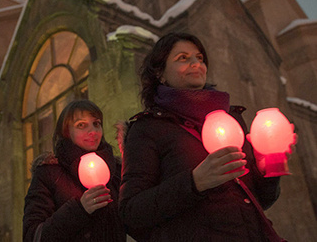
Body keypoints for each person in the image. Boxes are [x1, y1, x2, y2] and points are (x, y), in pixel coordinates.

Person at [118, 32, 294, 241]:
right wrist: (195, 182)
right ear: (160, 73)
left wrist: (266, 169)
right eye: (182, 58)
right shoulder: (148, 129)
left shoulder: (232, 120)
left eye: (199, 58)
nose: (196, 63)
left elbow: (259, 200)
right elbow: (131, 214)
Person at [23, 99, 126, 241]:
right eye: (81, 125)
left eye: (96, 124)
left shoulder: (117, 170)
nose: (92, 131)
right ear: (67, 131)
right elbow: (33, 235)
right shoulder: (49, 174)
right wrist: (79, 209)